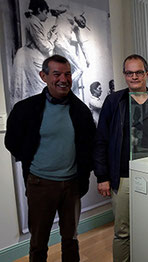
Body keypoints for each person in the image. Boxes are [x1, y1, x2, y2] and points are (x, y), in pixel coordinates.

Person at [5, 55, 96, 261]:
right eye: (56, 74)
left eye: (67, 74)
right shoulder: (26, 109)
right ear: (43, 76)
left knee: (70, 240)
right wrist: (33, 160)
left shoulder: (81, 111)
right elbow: (12, 141)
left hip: (72, 185)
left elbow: (90, 145)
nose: (63, 79)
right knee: (38, 242)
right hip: (40, 184)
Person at [94, 54, 148, 262]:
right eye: (129, 73)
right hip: (123, 177)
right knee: (123, 231)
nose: (134, 77)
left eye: (139, 72)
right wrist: (102, 176)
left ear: (147, 74)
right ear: (124, 75)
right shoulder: (114, 101)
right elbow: (101, 139)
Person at [10, 0, 55, 107]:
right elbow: (44, 46)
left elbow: (40, 41)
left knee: (31, 90)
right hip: (32, 59)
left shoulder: (33, 22)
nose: (47, 16)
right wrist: (52, 39)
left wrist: (48, 36)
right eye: (45, 12)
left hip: (31, 57)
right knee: (36, 91)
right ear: (39, 10)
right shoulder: (33, 22)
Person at [50, 5, 90, 100]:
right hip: (60, 43)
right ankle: (67, 89)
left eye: (83, 24)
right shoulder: (67, 10)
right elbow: (52, 11)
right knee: (80, 69)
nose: (82, 23)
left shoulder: (75, 27)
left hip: (62, 46)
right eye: (82, 21)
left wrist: (87, 58)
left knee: (67, 71)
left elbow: (81, 43)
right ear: (81, 15)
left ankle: (63, 90)